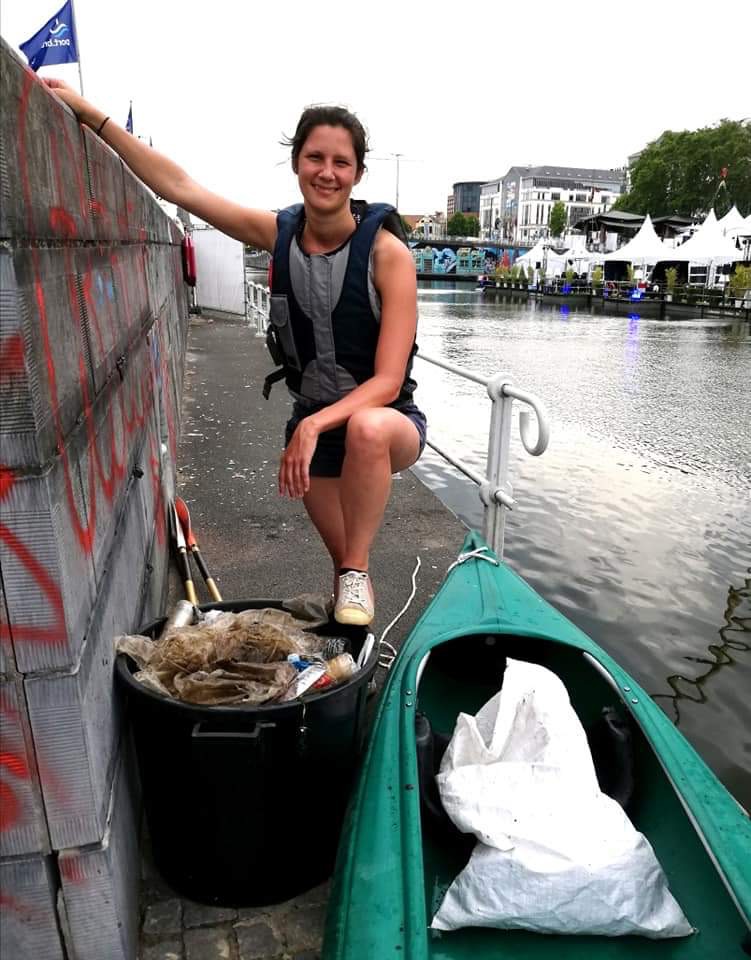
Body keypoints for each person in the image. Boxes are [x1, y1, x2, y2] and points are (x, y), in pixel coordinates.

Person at [44, 80, 426, 627]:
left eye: (341, 162)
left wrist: (312, 426)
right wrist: (89, 114)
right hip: (313, 422)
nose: (327, 172)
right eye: (315, 157)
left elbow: (389, 381)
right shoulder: (279, 233)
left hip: (385, 424)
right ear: (296, 163)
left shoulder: (388, 255)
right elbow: (181, 188)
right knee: (346, 578)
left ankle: (358, 582)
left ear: (358, 174)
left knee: (365, 449)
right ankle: (350, 645)